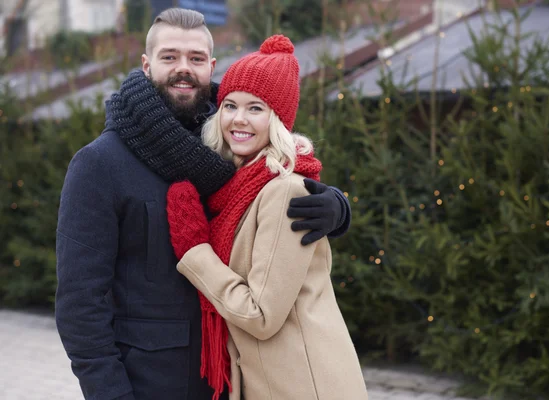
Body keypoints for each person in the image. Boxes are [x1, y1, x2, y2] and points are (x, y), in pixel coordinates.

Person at [54, 8, 351, 400]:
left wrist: (335, 207)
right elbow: (80, 307)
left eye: (195, 59)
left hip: (231, 381)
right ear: (146, 65)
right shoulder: (100, 164)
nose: (183, 69)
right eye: (169, 57)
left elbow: (275, 183)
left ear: (211, 66)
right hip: (148, 383)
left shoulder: (223, 148)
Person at [166, 34, 368, 400]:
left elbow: (261, 316)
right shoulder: (233, 188)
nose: (238, 120)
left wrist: (195, 251)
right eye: (229, 105)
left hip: (303, 386)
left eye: (255, 108)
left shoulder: (282, 191)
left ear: (278, 119)